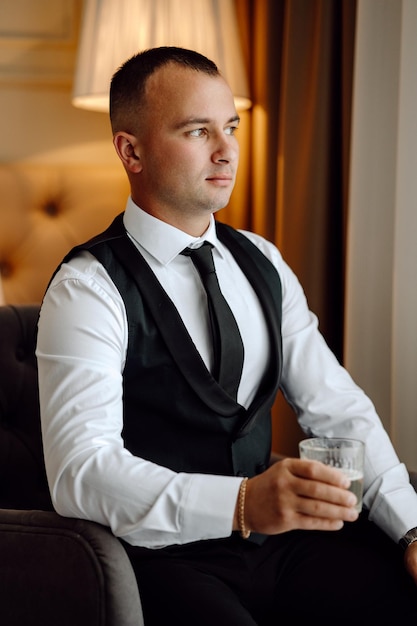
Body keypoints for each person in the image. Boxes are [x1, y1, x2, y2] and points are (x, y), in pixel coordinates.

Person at [37, 46, 417, 625]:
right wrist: (241, 504)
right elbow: (79, 473)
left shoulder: (261, 259)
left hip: (281, 549)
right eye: (197, 131)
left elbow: (338, 410)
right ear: (130, 150)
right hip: (159, 558)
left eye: (231, 126)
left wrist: (411, 529)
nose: (227, 150)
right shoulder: (86, 287)